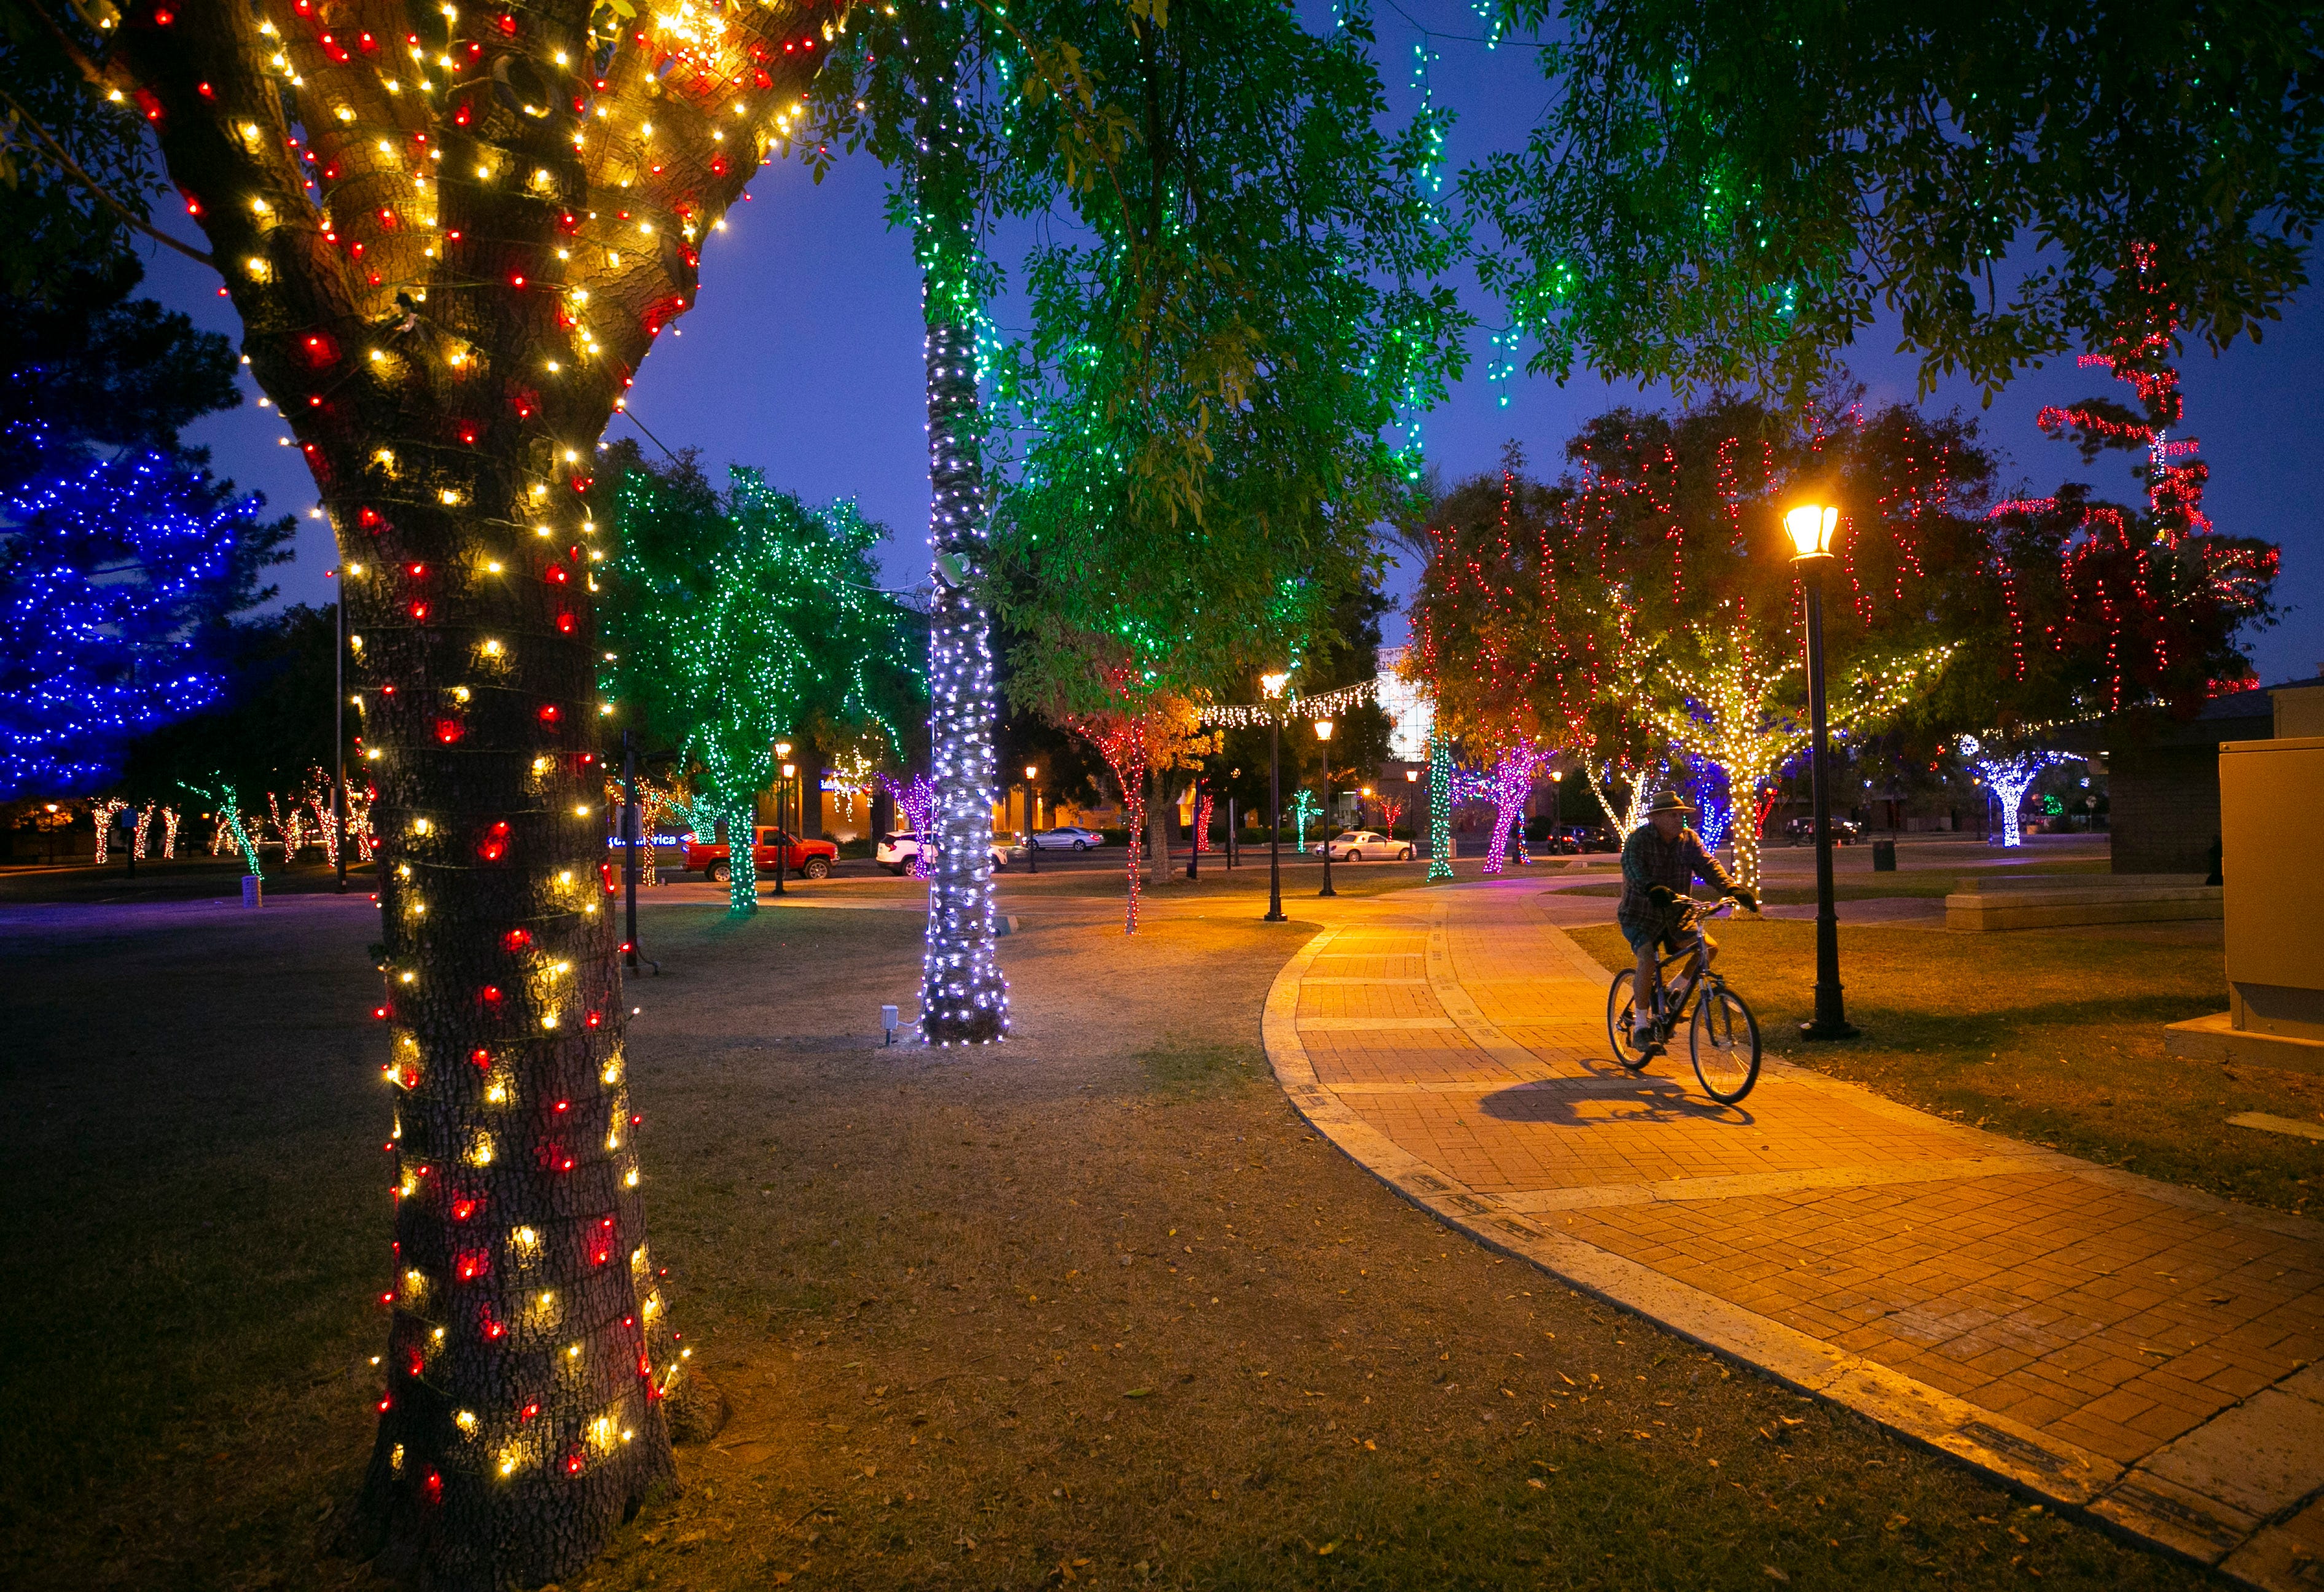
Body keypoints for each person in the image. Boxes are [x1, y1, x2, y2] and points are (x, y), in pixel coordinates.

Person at [1617, 791, 1756, 1045]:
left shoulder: (1689, 840)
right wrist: (1651, 888)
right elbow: (1632, 868)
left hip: (1677, 916)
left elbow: (1708, 865)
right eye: (1673, 815)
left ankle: (1672, 991)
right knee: (1647, 957)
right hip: (1641, 915)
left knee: (1708, 949)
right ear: (1656, 818)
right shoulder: (1639, 840)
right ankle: (1640, 1025)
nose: (1679, 819)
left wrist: (1731, 889)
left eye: (1681, 815)